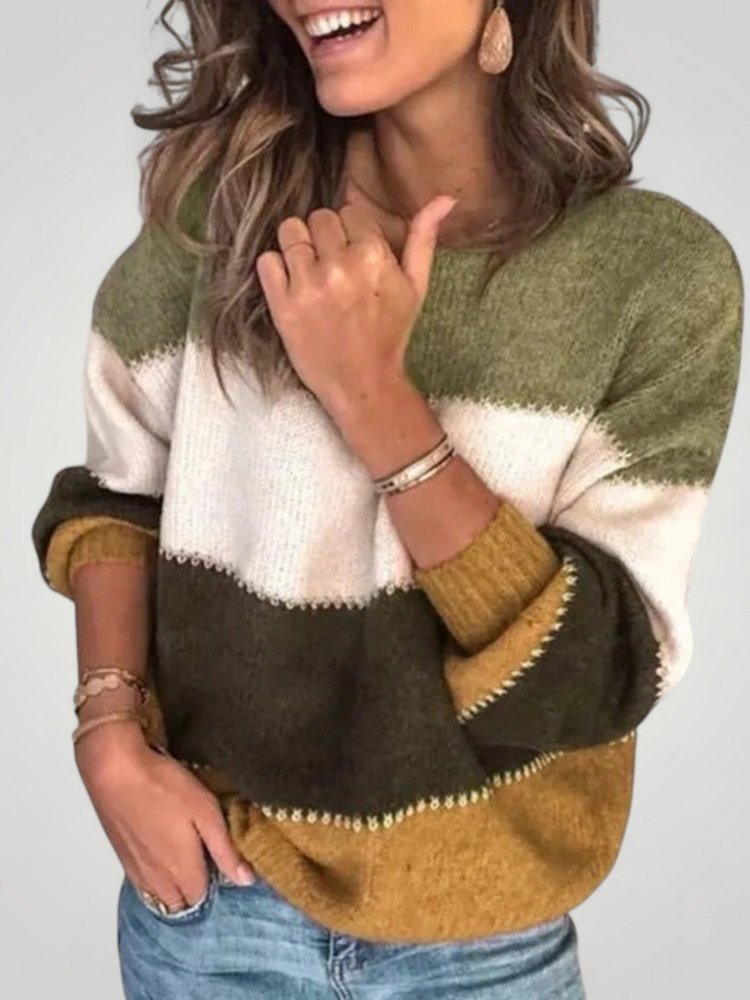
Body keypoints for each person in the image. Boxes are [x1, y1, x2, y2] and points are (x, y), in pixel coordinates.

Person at [30, 1, 744, 998]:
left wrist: (373, 397)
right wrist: (106, 733)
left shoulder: (657, 278)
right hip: (215, 917)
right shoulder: (220, 217)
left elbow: (591, 676)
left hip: (486, 950)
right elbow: (115, 500)